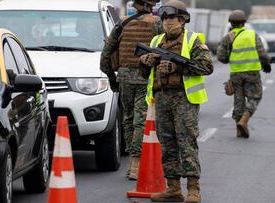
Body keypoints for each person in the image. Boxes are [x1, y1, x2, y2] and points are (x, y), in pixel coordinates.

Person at [138, 0, 213, 202]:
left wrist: (177, 68)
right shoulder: (155, 42)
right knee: (168, 144)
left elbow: (206, 67)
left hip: (184, 98)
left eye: (172, 18)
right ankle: (173, 188)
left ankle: (193, 189)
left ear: (182, 20)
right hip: (161, 98)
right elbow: (144, 74)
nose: (168, 22)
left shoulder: (193, 40)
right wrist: (145, 63)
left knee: (187, 143)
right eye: (165, 18)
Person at [100, 0, 163, 180]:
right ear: (151, 5)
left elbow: (105, 55)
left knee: (128, 119)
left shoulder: (122, 23)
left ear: (135, 5)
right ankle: (136, 163)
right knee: (141, 120)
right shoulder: (157, 24)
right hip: (147, 78)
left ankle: (132, 163)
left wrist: (112, 79)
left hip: (125, 78)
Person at [217, 10, 271, 139]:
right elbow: (261, 52)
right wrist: (266, 64)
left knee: (238, 101)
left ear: (231, 23)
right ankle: (244, 120)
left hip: (236, 73)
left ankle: (239, 129)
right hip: (252, 72)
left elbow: (221, 56)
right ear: (244, 22)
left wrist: (230, 57)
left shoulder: (228, 37)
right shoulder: (252, 34)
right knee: (255, 96)